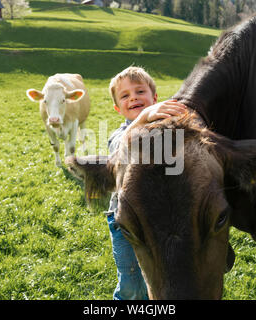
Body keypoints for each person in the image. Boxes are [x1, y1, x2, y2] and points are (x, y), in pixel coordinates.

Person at [106, 66, 187, 300]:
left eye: (140, 91)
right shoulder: (119, 135)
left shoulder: (168, 130)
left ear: (155, 99)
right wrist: (143, 118)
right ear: (117, 108)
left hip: (164, 218)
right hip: (127, 222)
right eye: (125, 96)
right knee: (133, 285)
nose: (133, 97)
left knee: (165, 278)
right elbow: (121, 149)